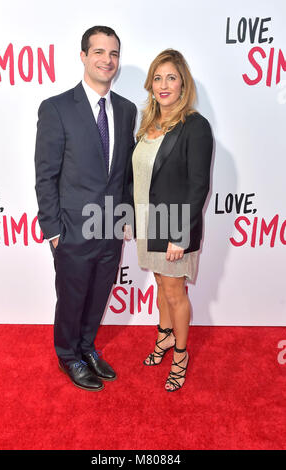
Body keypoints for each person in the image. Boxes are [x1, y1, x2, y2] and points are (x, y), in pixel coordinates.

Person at [35, 26, 137, 391]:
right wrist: (53, 230)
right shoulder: (57, 108)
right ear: (83, 56)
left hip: (110, 229)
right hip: (72, 229)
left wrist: (124, 217)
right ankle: (68, 355)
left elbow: (123, 172)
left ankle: (87, 346)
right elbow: (45, 175)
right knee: (73, 294)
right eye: (99, 52)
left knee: (99, 293)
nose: (107, 60)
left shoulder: (126, 110)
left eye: (113, 54)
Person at [127, 49, 213, 391]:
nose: (164, 85)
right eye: (158, 78)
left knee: (175, 292)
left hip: (173, 225)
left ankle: (180, 354)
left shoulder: (195, 126)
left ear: (183, 84)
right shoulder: (148, 124)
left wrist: (180, 234)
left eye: (171, 78)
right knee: (162, 286)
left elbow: (199, 185)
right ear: (151, 84)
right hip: (148, 223)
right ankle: (164, 336)